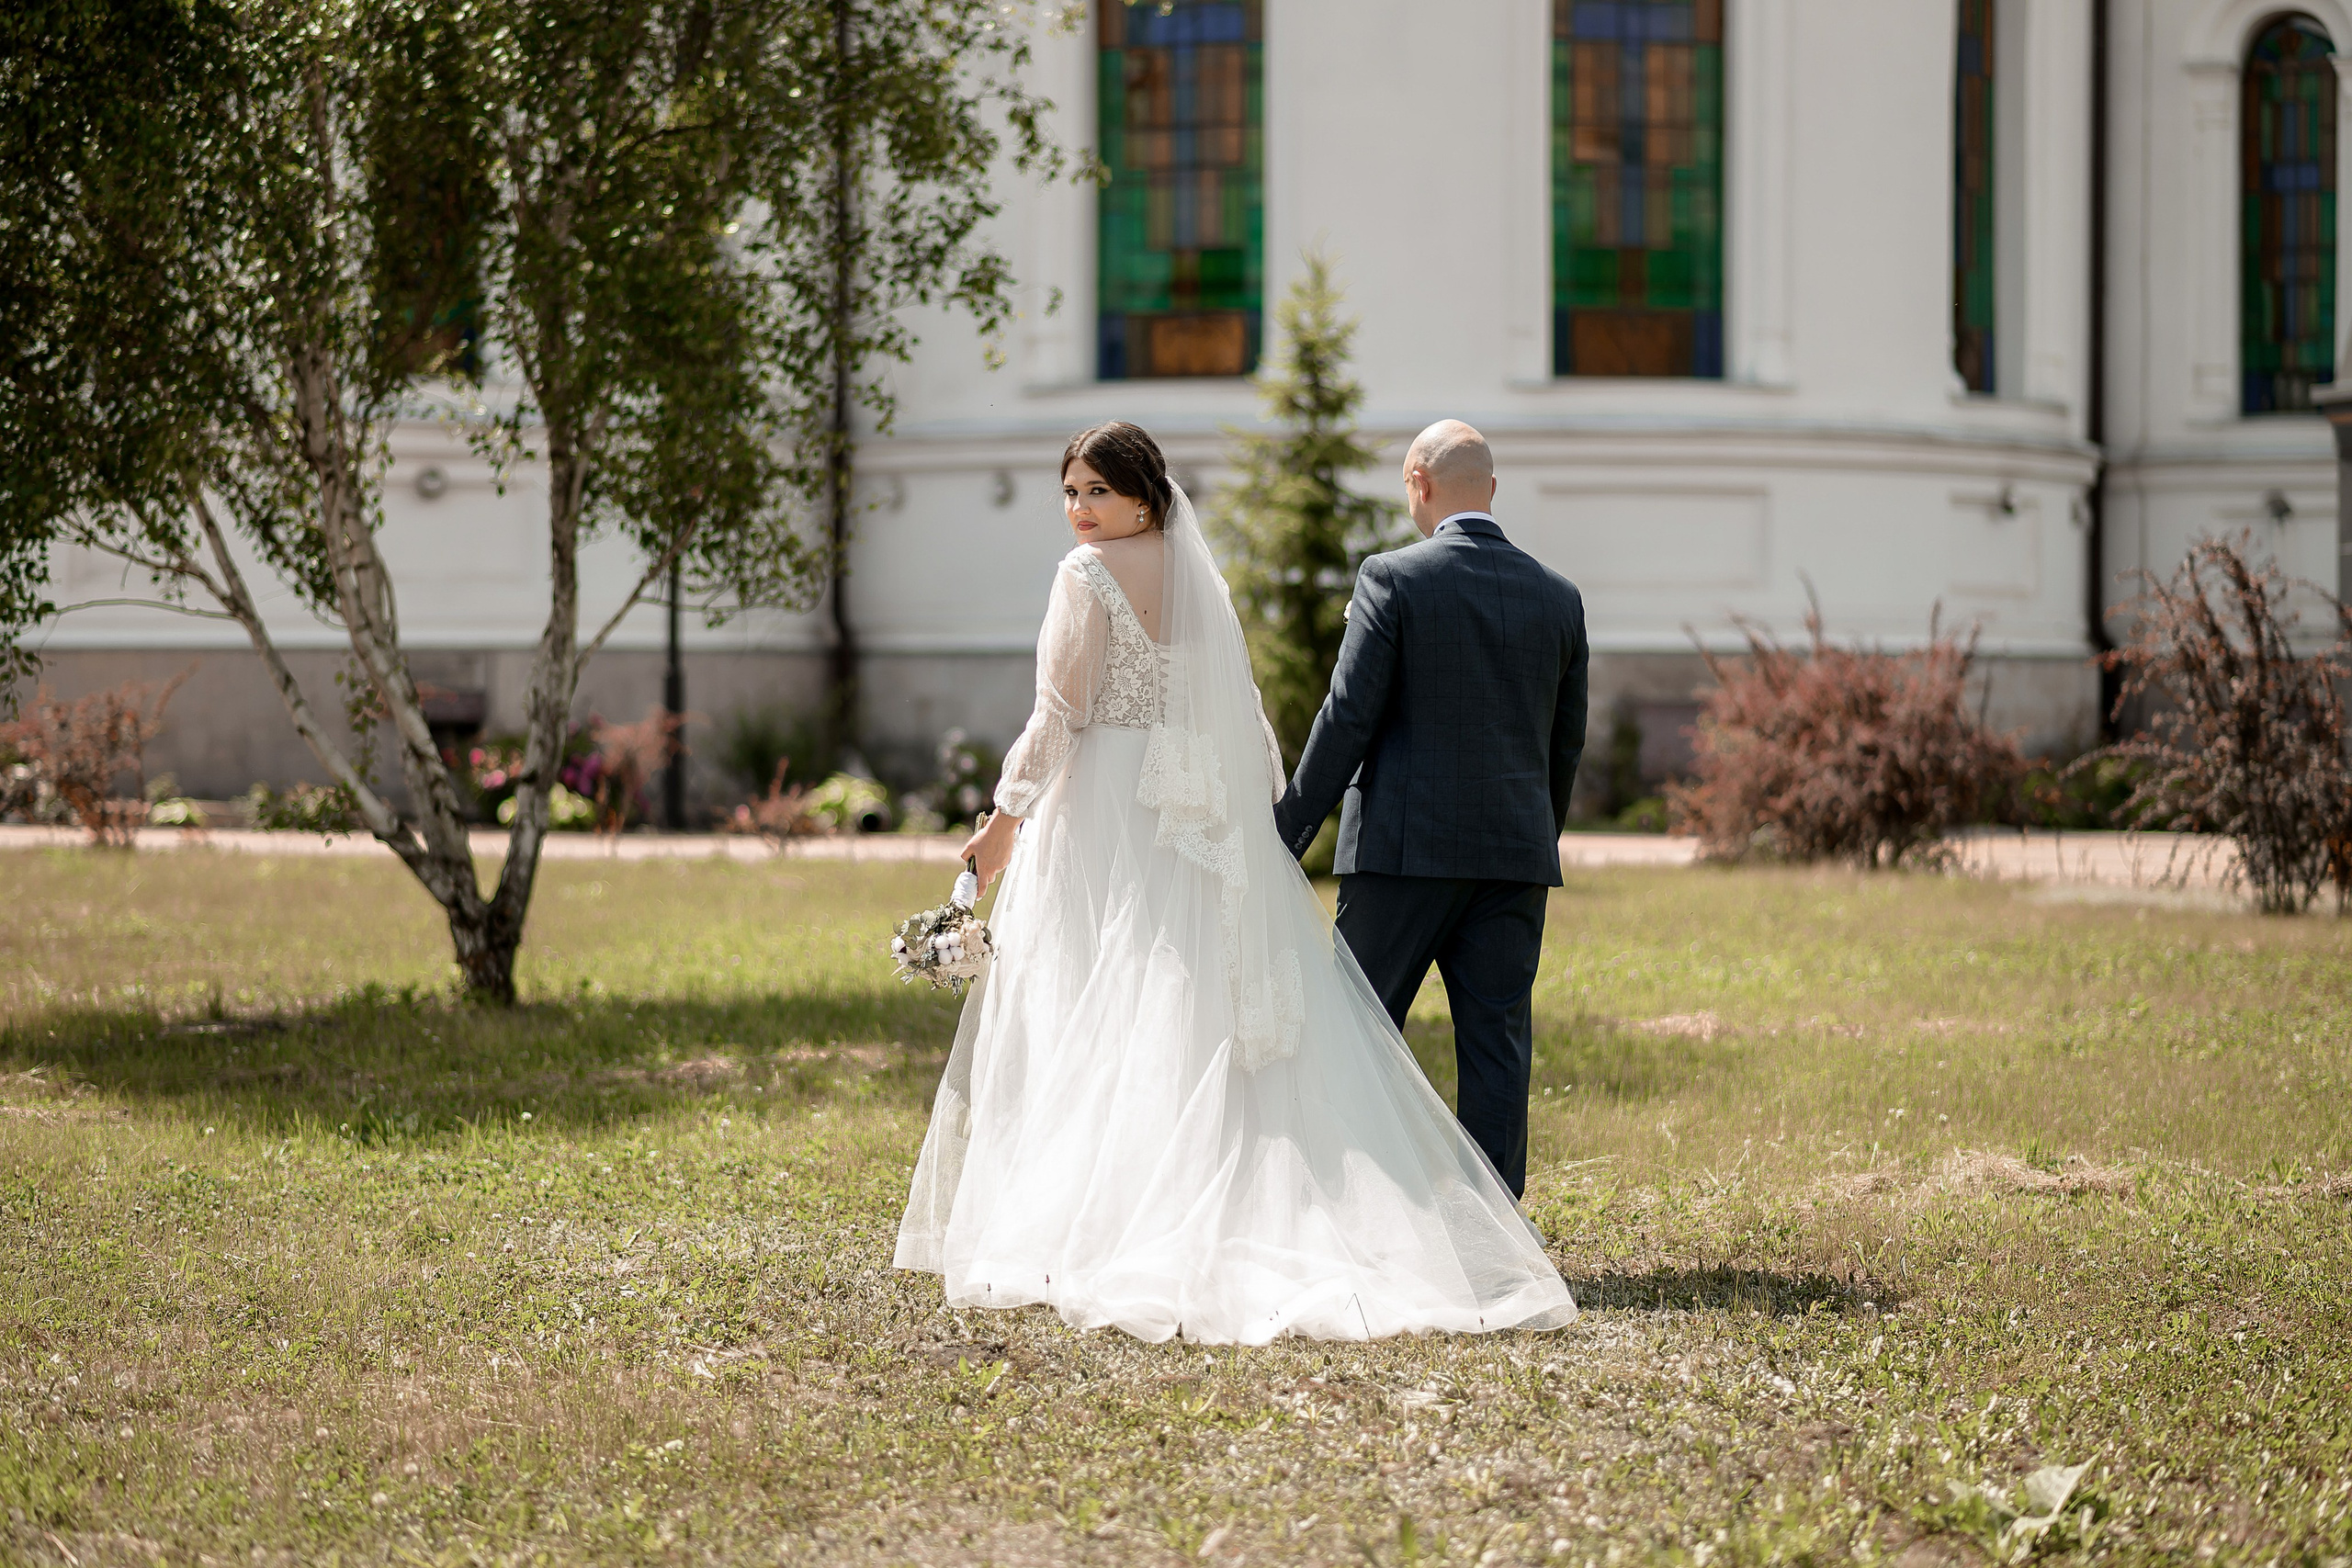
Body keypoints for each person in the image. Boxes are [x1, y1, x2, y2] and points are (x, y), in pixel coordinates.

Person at [894, 421, 1576, 1345]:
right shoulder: (1197, 578)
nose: (1081, 510)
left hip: (1108, 807)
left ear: (1144, 491)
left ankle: (1105, 1212)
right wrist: (1257, 824)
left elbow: (1060, 713)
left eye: (1098, 490)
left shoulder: (1083, 577)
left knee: (1107, 991)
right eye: (1070, 492)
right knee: (1178, 999)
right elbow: (1244, 714)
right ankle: (1459, 1227)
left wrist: (1003, 819)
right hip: (1196, 811)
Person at [1274, 420, 1589, 1201]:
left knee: (1353, 1033)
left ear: (1418, 483)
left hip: (1400, 856)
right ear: (1491, 488)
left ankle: (1347, 1211)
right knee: (1497, 1049)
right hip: (1512, 857)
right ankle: (1499, 1239)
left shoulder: (1392, 578)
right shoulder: (1560, 597)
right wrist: (1530, 836)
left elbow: (1346, 717)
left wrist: (1287, 830)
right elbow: (1566, 744)